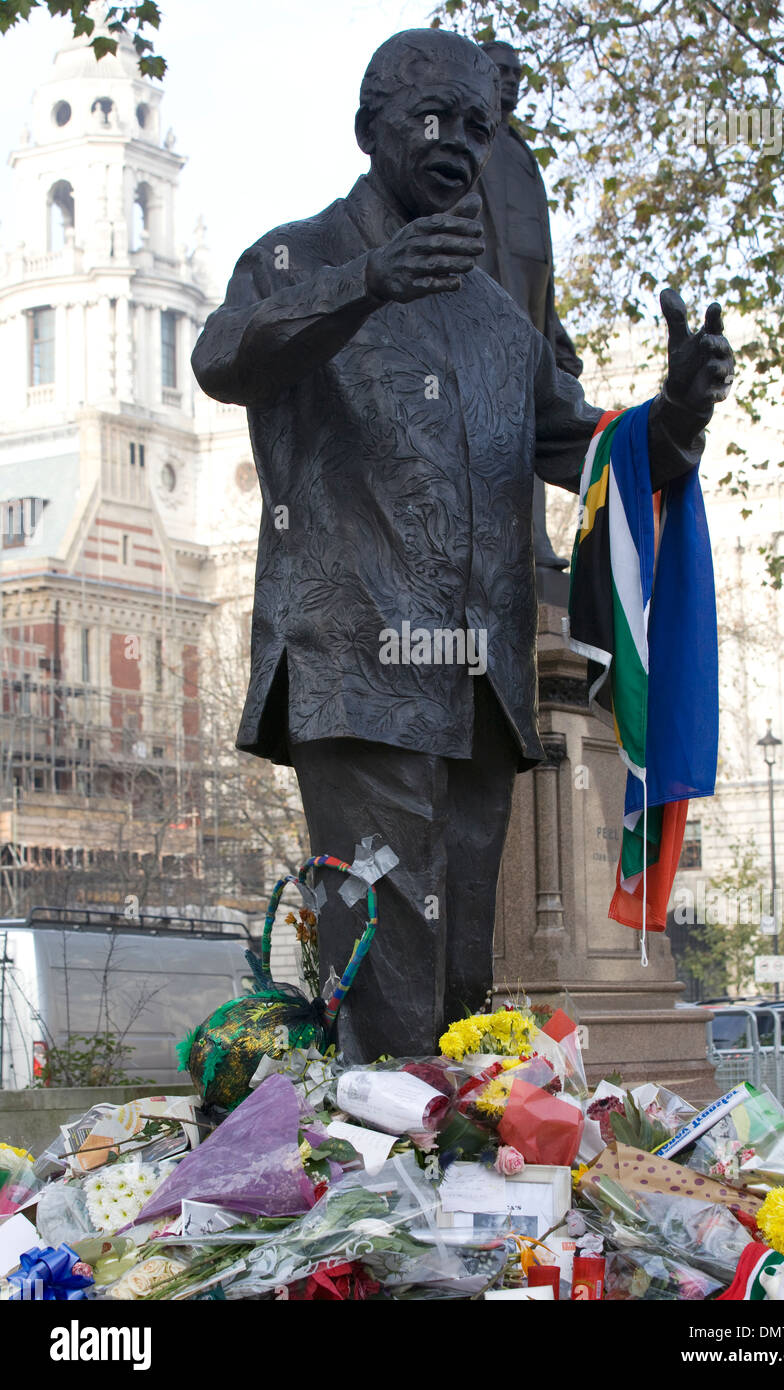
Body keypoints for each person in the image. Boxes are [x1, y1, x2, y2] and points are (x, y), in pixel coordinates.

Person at [192, 28, 734, 1061]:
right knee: (387, 980)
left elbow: (589, 457)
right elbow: (222, 357)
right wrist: (368, 281)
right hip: (356, 666)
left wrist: (674, 416)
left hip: (478, 691)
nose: (459, 144)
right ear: (370, 128)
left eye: (480, 129)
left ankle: (438, 1193)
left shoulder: (494, 317)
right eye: (435, 119)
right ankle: (382, 1193)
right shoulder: (292, 257)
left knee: (456, 981)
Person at [477, 38, 583, 579]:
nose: (512, 80)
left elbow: (541, 248)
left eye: (517, 71)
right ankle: (504, 539)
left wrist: (553, 326)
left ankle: (534, 536)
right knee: (497, 419)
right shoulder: (473, 145)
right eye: (501, 71)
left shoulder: (520, 152)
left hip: (532, 301)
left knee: (534, 414)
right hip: (492, 301)